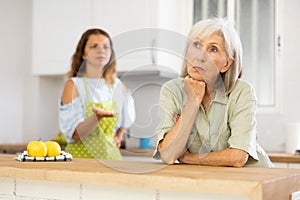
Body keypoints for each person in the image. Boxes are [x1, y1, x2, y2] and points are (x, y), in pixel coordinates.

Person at [153, 18, 273, 167]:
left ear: (226, 64)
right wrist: (192, 102)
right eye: (196, 45)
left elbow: (237, 157)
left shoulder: (242, 92)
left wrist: (188, 158)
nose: (200, 56)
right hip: (211, 181)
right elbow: (168, 155)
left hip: (255, 178)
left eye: (213, 49)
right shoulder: (171, 91)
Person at [59, 28, 135, 159]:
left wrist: (119, 135)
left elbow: (127, 119)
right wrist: (97, 117)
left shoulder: (117, 85)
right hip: (81, 162)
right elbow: (75, 135)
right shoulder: (73, 85)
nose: (101, 50)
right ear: (83, 54)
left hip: (112, 161)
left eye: (106, 47)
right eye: (94, 46)